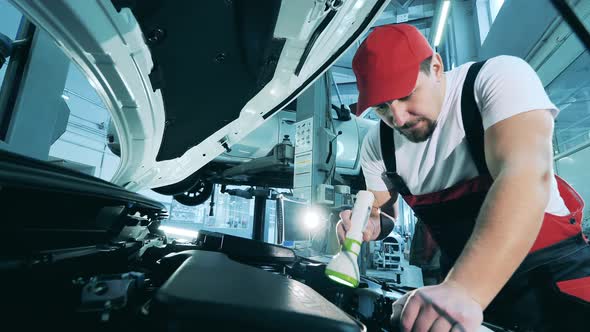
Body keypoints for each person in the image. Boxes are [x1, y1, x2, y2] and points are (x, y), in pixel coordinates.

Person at [336, 24, 590, 331]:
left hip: (551, 281)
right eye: (381, 107)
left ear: (436, 67)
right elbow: (384, 215)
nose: (398, 118)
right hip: (461, 292)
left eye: (405, 95)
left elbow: (523, 176)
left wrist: (464, 288)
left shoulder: (497, 78)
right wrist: (370, 225)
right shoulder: (377, 145)